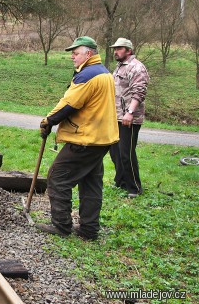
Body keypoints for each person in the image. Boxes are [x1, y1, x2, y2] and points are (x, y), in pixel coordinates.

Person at [37, 36, 119, 241]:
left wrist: (48, 121)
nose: (72, 56)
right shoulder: (104, 73)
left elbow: (69, 104)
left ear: (89, 54)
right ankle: (89, 230)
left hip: (85, 138)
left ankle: (62, 226)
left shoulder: (87, 75)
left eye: (76, 52)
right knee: (91, 182)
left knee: (58, 177)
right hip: (102, 138)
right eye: (72, 53)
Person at [108, 37, 149, 198]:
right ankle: (121, 182)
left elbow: (139, 92)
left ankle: (134, 188)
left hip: (129, 118)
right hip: (116, 116)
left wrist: (130, 113)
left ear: (128, 50)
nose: (115, 52)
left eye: (119, 49)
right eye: (115, 49)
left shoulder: (136, 67)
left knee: (126, 153)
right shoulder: (119, 67)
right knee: (115, 152)